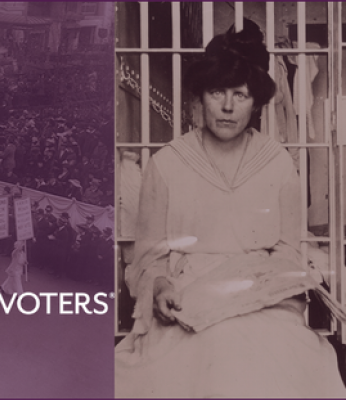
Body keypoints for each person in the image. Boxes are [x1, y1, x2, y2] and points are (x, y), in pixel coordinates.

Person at [115, 21, 346, 398]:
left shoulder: (278, 164)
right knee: (212, 352)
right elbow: (149, 259)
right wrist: (159, 287)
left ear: (256, 102)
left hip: (261, 298)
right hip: (187, 296)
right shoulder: (167, 164)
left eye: (239, 94)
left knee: (268, 355)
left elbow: (287, 252)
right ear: (199, 97)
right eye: (216, 92)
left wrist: (261, 288)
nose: (226, 106)